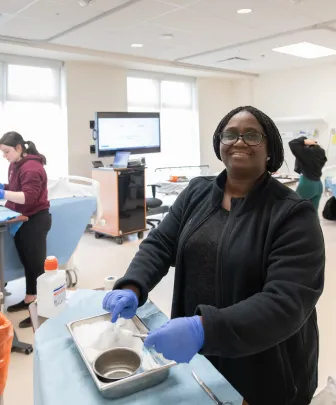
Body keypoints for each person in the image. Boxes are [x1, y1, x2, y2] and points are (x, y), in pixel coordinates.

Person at [102, 106, 325, 405]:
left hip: (265, 368)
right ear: (219, 144)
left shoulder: (293, 214)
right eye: (230, 134)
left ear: (270, 148)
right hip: (201, 357)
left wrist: (202, 328)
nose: (239, 141)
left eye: (252, 135)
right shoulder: (197, 192)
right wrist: (133, 285)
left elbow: (286, 302)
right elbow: (160, 243)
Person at [0, 132, 51, 328]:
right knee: (28, 263)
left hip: (36, 219)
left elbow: (28, 197)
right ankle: (30, 298)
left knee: (36, 267)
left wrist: (3, 193)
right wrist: (4, 187)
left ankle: (40, 310)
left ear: (19, 148)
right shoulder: (15, 164)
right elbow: (16, 188)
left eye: (7, 152)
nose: (5, 156)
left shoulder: (32, 168)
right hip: (22, 218)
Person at [289, 136, 327, 210]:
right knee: (313, 212)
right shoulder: (320, 152)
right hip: (318, 185)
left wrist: (304, 141)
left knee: (294, 208)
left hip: (307, 184)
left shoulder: (307, 153)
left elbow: (292, 143)